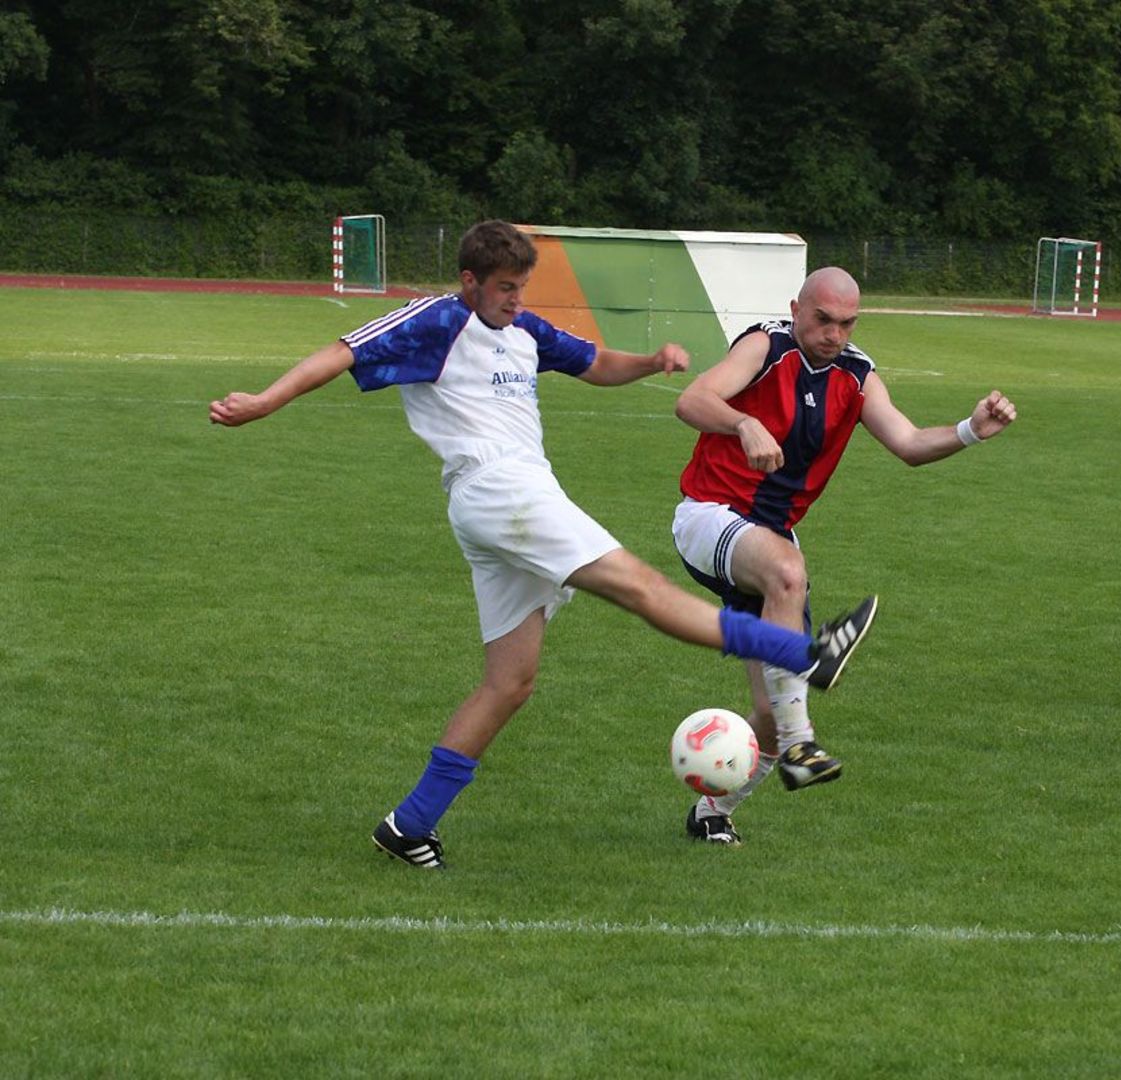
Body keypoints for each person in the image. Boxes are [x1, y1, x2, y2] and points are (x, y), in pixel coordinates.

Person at [208, 220, 878, 869]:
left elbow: (592, 363)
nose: (515, 299)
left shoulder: (524, 329)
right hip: (502, 492)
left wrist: (650, 362)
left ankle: (408, 824)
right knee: (640, 587)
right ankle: (802, 654)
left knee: (509, 683)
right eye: (504, 287)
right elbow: (342, 351)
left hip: (507, 509)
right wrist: (266, 400)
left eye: (521, 286)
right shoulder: (436, 319)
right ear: (469, 280)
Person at [670, 266, 1017, 844]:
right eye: (823, 319)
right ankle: (804, 712)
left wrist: (970, 430)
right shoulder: (766, 345)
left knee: (769, 719)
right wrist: (745, 421)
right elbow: (692, 399)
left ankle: (714, 811)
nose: (834, 334)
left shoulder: (857, 375)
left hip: (773, 532)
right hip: (710, 514)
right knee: (788, 573)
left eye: (846, 323)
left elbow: (907, 443)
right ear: (797, 308)